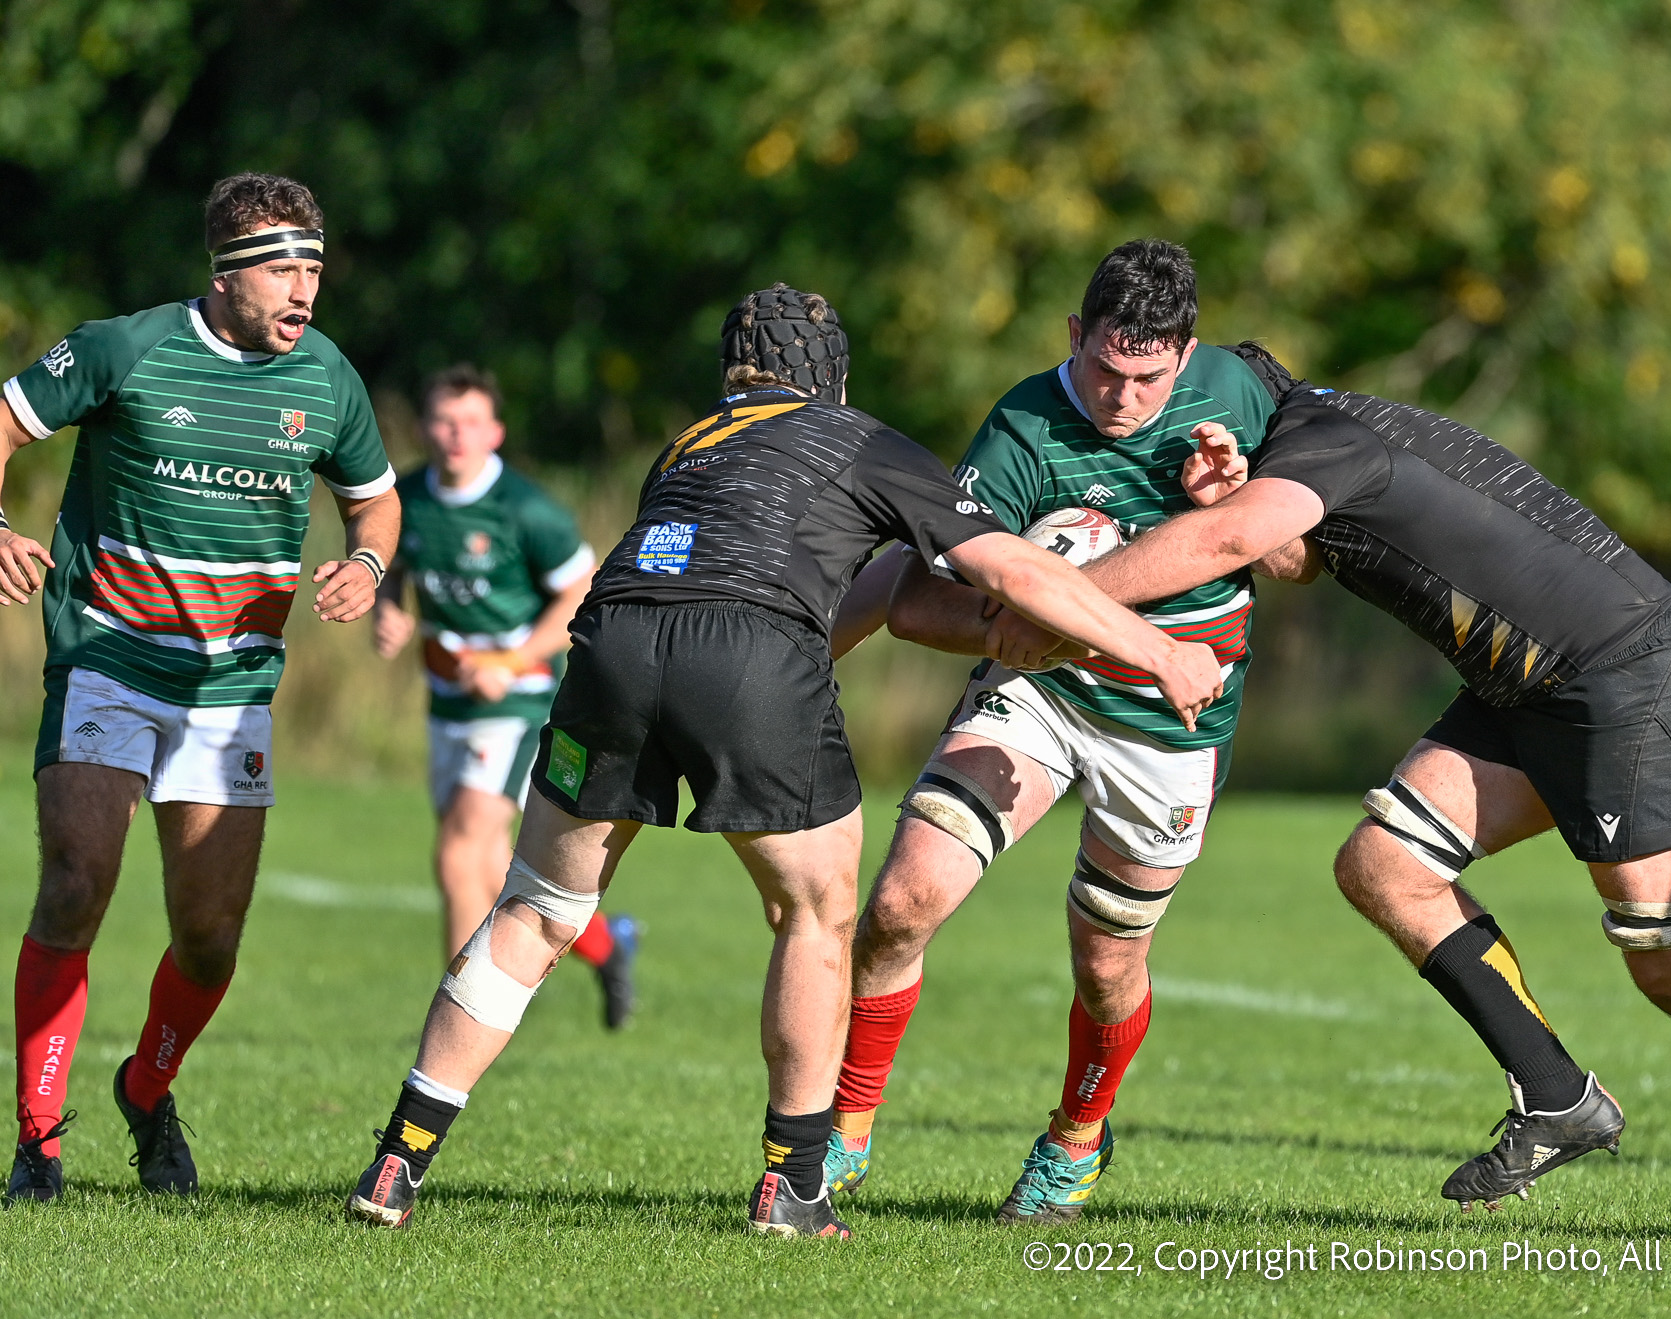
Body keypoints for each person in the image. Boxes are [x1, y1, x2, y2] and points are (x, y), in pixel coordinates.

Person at [344, 285, 1223, 1238]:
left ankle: (398, 1160)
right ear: (835, 377)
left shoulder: (688, 443)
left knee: (535, 908)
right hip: (750, 654)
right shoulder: (859, 438)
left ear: (733, 374)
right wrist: (1157, 649)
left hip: (610, 643)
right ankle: (794, 1183)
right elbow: (1009, 567)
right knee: (815, 914)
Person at [1079, 350, 1671, 1240]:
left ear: (1237, 406)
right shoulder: (1319, 435)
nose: (1167, 429)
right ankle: (1557, 1096)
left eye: (1179, 411)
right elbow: (1295, 555)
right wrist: (1229, 494)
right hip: (1537, 684)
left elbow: (1228, 545)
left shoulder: (1322, 441)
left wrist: (1048, 598)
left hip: (1625, 678)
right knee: (1384, 865)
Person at [820, 240, 1277, 1224]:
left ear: (1187, 352)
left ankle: (1075, 1138)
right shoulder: (1022, 430)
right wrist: (1017, 629)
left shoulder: (1238, 394)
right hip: (1041, 697)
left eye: (1149, 378)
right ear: (1075, 334)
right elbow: (916, 602)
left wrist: (1239, 506)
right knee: (900, 903)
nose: (1123, 398)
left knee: (1106, 964)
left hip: (1169, 729)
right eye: (1106, 369)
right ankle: (844, 1127)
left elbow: (1297, 560)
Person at [0, 172, 400, 1203]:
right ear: (225, 274)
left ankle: (146, 1088)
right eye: (282, 269)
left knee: (209, 941)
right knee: (74, 884)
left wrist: (367, 563)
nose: (304, 290)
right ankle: (39, 1141)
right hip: (108, 656)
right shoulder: (125, 348)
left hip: (232, 687)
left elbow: (376, 502)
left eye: (314, 268)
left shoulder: (328, 378)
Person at [374, 365, 639, 1026]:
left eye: (471, 422)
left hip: (517, 702)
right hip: (448, 703)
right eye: (444, 420)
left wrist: (513, 659)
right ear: (423, 427)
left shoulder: (526, 508)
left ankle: (456, 1027)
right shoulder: (406, 498)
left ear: (495, 431)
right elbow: (391, 563)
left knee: (460, 852)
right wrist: (388, 607)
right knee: (492, 867)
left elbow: (583, 586)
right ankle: (609, 947)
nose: (456, 435)